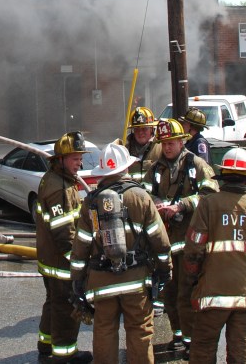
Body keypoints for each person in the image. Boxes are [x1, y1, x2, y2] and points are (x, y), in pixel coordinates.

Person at [70, 143, 171, 364]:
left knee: (104, 330)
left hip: (102, 282)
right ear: (126, 168)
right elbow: (160, 241)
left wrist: (77, 281)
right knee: (140, 331)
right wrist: (165, 271)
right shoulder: (142, 197)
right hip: (136, 281)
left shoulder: (91, 202)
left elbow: (81, 245)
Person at [181, 147, 246, 364]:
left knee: (203, 347)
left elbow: (193, 248)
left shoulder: (208, 204)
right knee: (241, 350)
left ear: (223, 176)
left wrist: (192, 279)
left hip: (212, 291)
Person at [142, 118, 218, 356]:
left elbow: (209, 195)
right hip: (164, 243)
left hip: (189, 242)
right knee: (169, 293)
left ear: (181, 141)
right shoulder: (155, 169)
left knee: (187, 293)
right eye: (164, 143)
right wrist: (155, 203)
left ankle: (191, 342)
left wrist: (182, 206)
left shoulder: (196, 164)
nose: (167, 147)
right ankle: (178, 335)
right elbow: (143, 194)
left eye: (171, 142)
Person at [35, 132, 94, 364]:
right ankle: (65, 353)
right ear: (60, 159)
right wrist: (77, 262)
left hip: (49, 259)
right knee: (66, 307)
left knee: (52, 302)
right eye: (74, 159)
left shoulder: (57, 179)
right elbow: (63, 233)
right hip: (60, 261)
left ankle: (46, 343)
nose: (79, 163)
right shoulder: (58, 187)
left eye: (80, 158)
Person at [114, 106, 160, 180]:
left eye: (144, 128)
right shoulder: (124, 150)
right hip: (131, 191)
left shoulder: (160, 148)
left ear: (151, 129)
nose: (140, 132)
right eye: (137, 129)